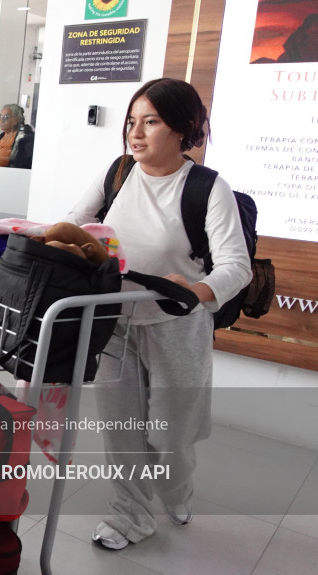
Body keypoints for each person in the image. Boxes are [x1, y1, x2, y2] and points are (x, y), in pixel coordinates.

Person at [65, 78, 252, 550]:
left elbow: (236, 265)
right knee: (122, 430)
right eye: (132, 121)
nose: (136, 132)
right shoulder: (117, 174)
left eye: (151, 121)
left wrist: (199, 289)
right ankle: (131, 516)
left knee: (170, 436)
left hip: (177, 326)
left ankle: (176, 487)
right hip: (113, 323)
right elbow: (72, 228)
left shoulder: (208, 188)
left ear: (183, 129)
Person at [0, 104, 34, 169]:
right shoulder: (1, 137)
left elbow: (21, 164)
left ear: (16, 120)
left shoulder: (24, 138)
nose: (1, 121)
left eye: (6, 117)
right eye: (0, 117)